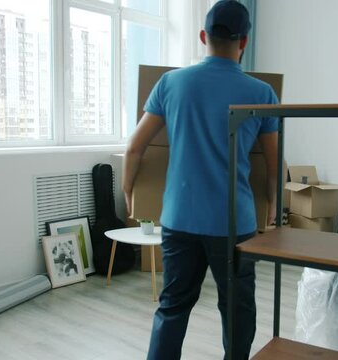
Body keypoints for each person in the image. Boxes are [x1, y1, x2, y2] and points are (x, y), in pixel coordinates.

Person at [122, 1, 279, 359]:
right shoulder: (261, 93)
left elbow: (134, 148)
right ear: (245, 42)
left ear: (203, 36)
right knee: (237, 311)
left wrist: (129, 191)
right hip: (234, 223)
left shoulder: (171, 83)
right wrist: (271, 209)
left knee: (173, 307)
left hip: (179, 220)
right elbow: (273, 164)